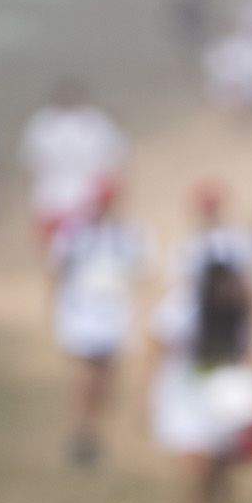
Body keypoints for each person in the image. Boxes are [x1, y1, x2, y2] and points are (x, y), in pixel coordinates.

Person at [147, 256, 252, 503]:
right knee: (196, 469)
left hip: (224, 403)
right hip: (188, 398)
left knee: (221, 473)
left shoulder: (240, 313)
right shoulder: (183, 310)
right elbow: (157, 344)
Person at [50, 178, 145, 466]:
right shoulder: (75, 233)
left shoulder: (127, 236)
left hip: (113, 316)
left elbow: (139, 273)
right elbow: (57, 269)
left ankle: (95, 432)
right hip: (82, 314)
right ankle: (81, 433)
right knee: (85, 377)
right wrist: (56, 308)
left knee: (106, 380)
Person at [20, 81, 127, 246]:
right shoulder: (42, 125)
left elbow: (114, 162)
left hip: (85, 200)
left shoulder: (93, 122)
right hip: (58, 201)